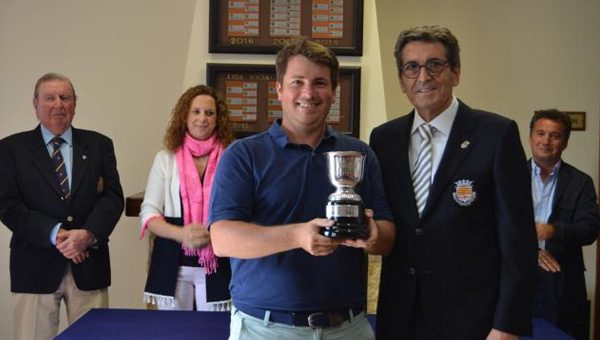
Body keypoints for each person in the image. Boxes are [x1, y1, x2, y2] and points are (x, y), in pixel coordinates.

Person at [208, 38, 395, 340]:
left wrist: (373, 235)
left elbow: (387, 234)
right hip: (263, 329)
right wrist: (297, 235)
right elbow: (222, 239)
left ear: (333, 91)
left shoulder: (358, 154)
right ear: (279, 88)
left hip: (348, 328)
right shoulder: (243, 155)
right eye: (298, 82)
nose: (308, 93)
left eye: (320, 83)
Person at [369, 26, 538, 340]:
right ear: (401, 80)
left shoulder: (496, 134)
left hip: (474, 320)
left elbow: (519, 241)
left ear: (456, 72)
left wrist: (507, 326)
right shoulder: (383, 139)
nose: (424, 77)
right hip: (401, 316)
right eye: (412, 67)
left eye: (435, 65)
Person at [0, 73, 124, 340]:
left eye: (65, 97)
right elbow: (8, 205)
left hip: (89, 264)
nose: (58, 104)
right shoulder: (11, 148)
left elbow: (112, 198)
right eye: (49, 98)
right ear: (35, 104)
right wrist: (56, 233)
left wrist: (87, 234)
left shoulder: (99, 145)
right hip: (34, 266)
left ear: (75, 104)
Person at [139, 85, 233, 311]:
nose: (202, 118)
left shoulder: (231, 157)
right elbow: (149, 213)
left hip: (218, 261)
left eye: (209, 113)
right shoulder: (165, 158)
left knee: (214, 333)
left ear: (218, 119)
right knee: (174, 332)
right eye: (196, 111)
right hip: (173, 262)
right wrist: (182, 234)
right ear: (185, 116)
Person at [528, 109, 599, 340]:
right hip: (518, 277)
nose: (545, 141)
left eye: (554, 135)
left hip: (562, 281)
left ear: (565, 142)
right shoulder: (508, 175)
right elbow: (491, 226)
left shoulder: (580, 182)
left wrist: (552, 231)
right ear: (531, 137)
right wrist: (532, 250)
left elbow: (589, 230)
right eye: (540, 133)